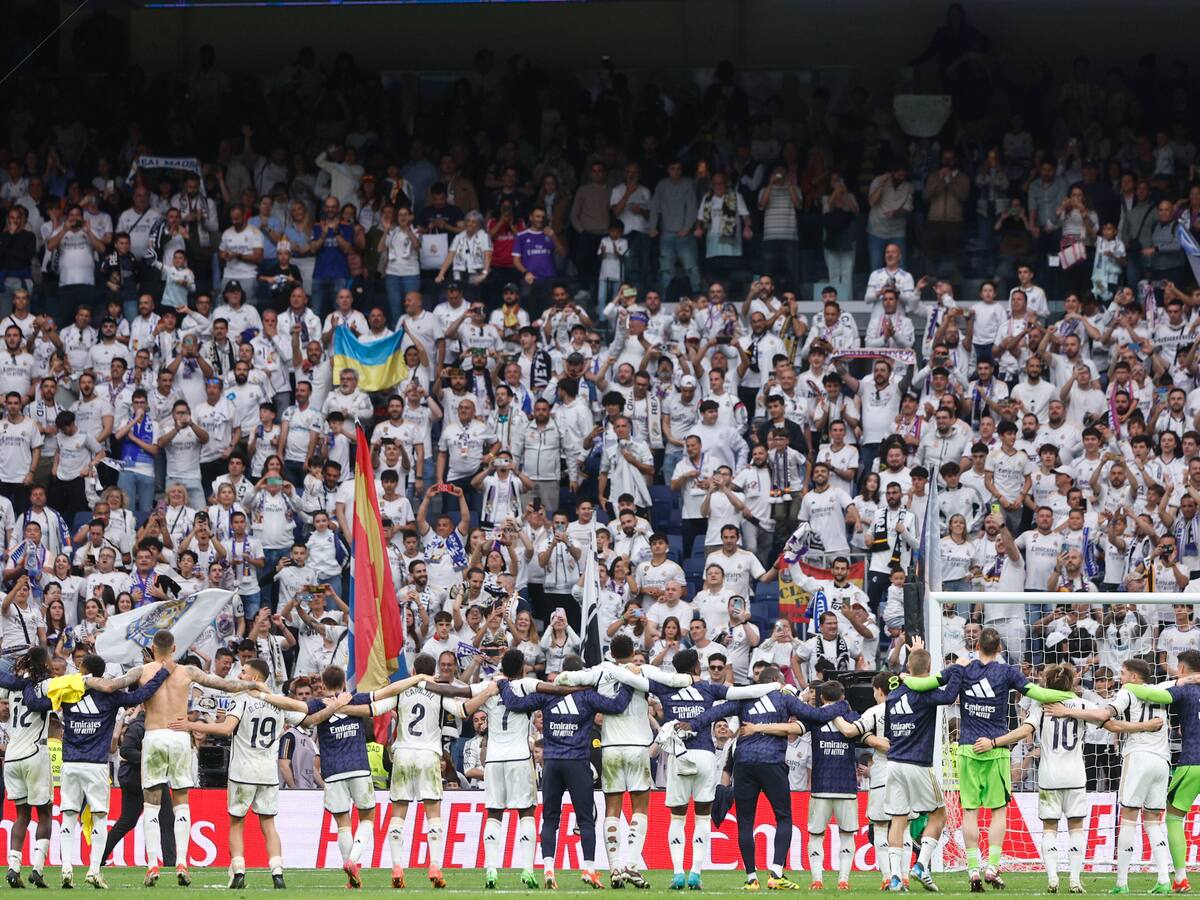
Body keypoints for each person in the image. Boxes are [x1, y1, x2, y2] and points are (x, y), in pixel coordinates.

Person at [986, 663, 1164, 894]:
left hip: (1049, 775)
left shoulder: (1041, 705)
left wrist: (994, 742)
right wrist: (1145, 726)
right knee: (1076, 829)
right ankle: (1075, 879)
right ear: (1071, 683)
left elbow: (1024, 731)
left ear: (1047, 683)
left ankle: (1052, 877)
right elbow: (1113, 726)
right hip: (1075, 775)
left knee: (1049, 828)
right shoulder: (1083, 705)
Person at [676, 663, 839, 890]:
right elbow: (816, 715)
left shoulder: (745, 698)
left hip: (743, 763)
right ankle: (776, 874)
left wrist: (692, 724)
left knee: (745, 821)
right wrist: (841, 706)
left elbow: (716, 712)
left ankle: (751, 878)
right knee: (783, 817)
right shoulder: (783, 698)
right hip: (772, 762)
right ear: (776, 682)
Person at [1051, 651, 1200, 894]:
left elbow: (1104, 717)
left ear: (1133, 676)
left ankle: (1121, 883)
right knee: (1153, 821)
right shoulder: (1163, 689)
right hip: (1162, 762)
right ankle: (1164, 879)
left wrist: (1067, 711)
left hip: (1138, 758)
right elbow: (1185, 681)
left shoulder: (1127, 692)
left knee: (1129, 819)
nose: (1118, 677)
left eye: (1121, 673)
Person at [554, 635, 693, 888]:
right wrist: (691, 679)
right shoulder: (643, 670)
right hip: (638, 747)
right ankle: (631, 866)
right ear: (633, 650)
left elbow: (563, 678)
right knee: (640, 808)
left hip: (610, 748)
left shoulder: (601, 670)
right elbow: (678, 680)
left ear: (612, 653)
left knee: (612, 810)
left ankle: (615, 868)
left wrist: (582, 685)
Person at [134, 628, 259, 886]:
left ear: (153, 648)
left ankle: (152, 864)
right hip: (180, 736)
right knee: (181, 801)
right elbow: (225, 684)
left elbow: (111, 685)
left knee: (151, 803)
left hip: (155, 735)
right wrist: (253, 684)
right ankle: (182, 861)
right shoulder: (188, 671)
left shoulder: (141, 671)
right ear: (174, 648)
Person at [493, 655, 630, 889]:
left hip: (552, 764)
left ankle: (548, 870)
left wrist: (503, 684)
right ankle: (589, 870)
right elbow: (617, 706)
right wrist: (629, 683)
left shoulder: (548, 695)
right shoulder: (588, 696)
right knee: (586, 820)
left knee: (550, 820)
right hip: (577, 763)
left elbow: (514, 703)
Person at [652, 647, 782, 890]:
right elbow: (743, 692)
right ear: (696, 667)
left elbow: (643, 676)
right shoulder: (709, 688)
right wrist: (774, 685)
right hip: (705, 755)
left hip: (679, 755)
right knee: (702, 817)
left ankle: (678, 872)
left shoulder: (665, 687)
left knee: (677, 817)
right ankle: (695, 873)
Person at [57, 656, 170, 889]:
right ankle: (94, 870)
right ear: (102, 673)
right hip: (97, 764)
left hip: (70, 763)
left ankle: (66, 867)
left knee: (68, 814)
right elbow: (141, 695)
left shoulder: (67, 692)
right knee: (99, 817)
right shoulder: (110, 695)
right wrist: (162, 673)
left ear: (82, 670)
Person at [881, 641, 963, 892]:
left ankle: (896, 878)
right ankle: (920, 865)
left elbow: (888, 734)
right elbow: (949, 696)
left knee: (898, 819)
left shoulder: (893, 695)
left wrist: (915, 653)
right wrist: (958, 668)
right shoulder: (925, 693)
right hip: (917, 763)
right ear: (929, 670)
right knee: (939, 815)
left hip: (893, 763)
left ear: (908, 667)